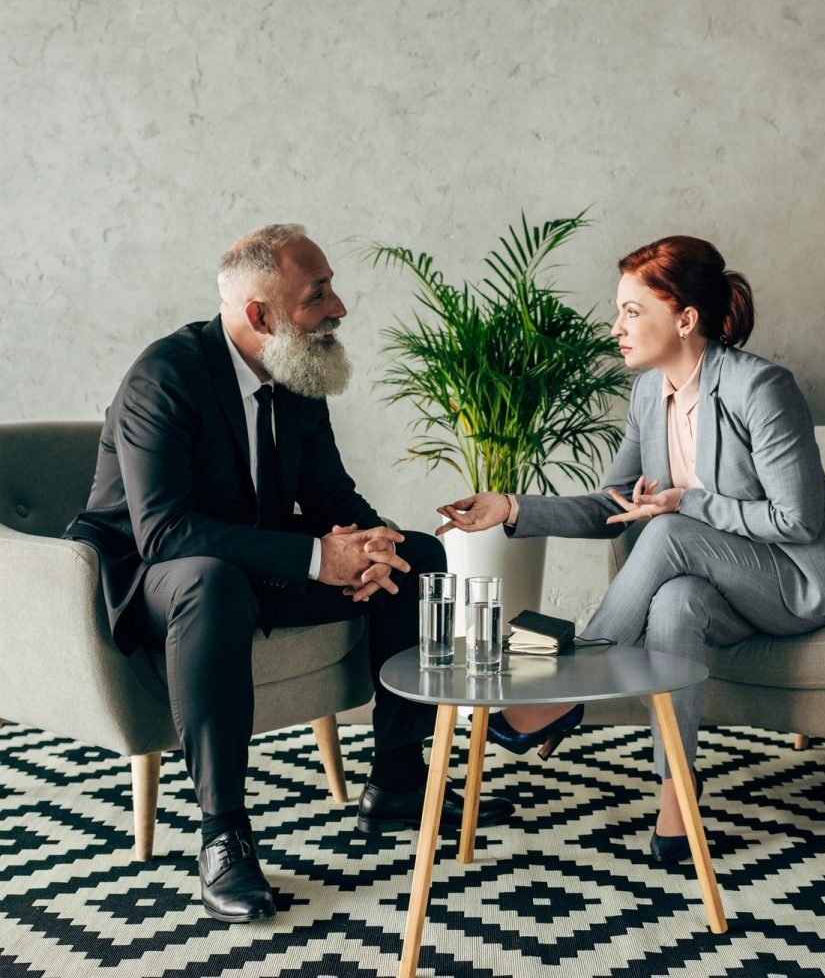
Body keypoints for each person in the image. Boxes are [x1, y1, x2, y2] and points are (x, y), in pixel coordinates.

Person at [64, 223, 514, 924]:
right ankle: (223, 837)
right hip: (151, 578)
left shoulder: (298, 369)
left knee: (420, 559)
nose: (339, 308)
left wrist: (374, 549)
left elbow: (331, 497)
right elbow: (166, 531)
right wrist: (315, 559)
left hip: (250, 566)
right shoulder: (165, 377)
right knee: (211, 581)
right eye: (318, 295)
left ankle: (396, 775)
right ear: (260, 316)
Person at [436, 235, 825, 865]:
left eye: (632, 312)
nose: (616, 327)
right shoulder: (649, 395)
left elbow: (798, 520)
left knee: (669, 531)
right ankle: (678, 801)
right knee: (675, 601)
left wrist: (683, 504)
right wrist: (510, 506)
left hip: (801, 583)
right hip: (724, 586)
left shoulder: (762, 388)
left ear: (685, 319)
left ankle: (564, 688)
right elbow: (613, 508)